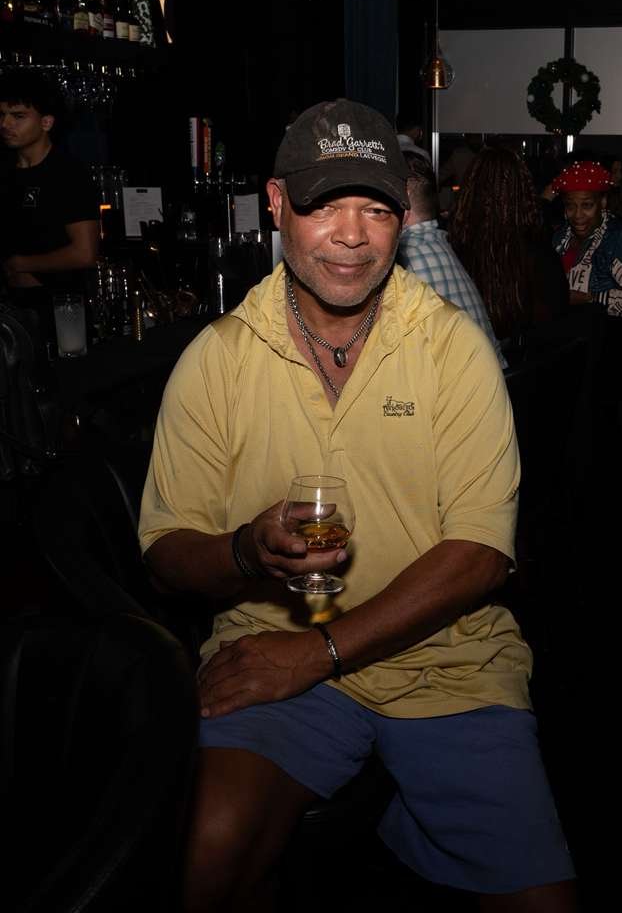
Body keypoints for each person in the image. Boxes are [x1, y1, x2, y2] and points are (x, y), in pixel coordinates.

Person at [139, 99, 577, 912]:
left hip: (448, 663)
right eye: (324, 205)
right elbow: (167, 551)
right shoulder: (218, 359)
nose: (352, 234)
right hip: (273, 653)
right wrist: (245, 551)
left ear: (404, 218)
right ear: (276, 206)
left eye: (376, 208)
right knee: (203, 855)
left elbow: (480, 552)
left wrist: (322, 651)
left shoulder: (451, 347)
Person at [448, 146, 569, 350]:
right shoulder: (540, 254)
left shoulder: (454, 250)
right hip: (530, 371)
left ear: (472, 190)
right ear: (523, 191)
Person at [397, 150, 506, 366]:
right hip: (494, 379)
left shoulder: (406, 257)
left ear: (403, 205)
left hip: (471, 391)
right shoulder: (438, 241)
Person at [0, 69, 99, 293]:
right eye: (2, 114)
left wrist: (22, 264)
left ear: (46, 123)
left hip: (58, 307)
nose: (5, 124)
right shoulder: (5, 171)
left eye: (18, 116)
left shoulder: (68, 173)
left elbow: (85, 254)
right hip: (11, 308)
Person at [549, 160, 622, 319]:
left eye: (587, 205)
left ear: (602, 202)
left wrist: (591, 298)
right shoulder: (560, 236)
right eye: (570, 206)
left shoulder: (620, 239)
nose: (577, 215)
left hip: (601, 338)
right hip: (561, 334)